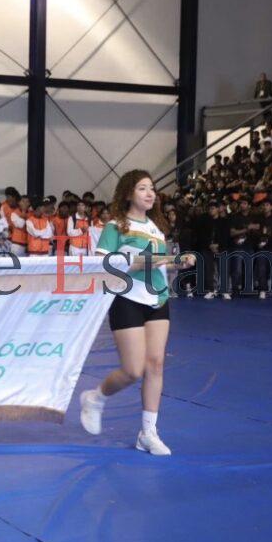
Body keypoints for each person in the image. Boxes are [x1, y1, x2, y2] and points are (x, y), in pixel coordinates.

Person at [78, 170, 195, 456]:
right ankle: (95, 397)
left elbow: (158, 263)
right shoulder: (116, 226)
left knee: (155, 365)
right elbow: (102, 264)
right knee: (133, 370)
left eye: (152, 189)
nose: (149, 193)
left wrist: (177, 262)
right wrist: (139, 263)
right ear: (129, 193)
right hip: (127, 298)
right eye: (142, 188)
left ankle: (148, 432)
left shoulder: (156, 228)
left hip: (157, 298)